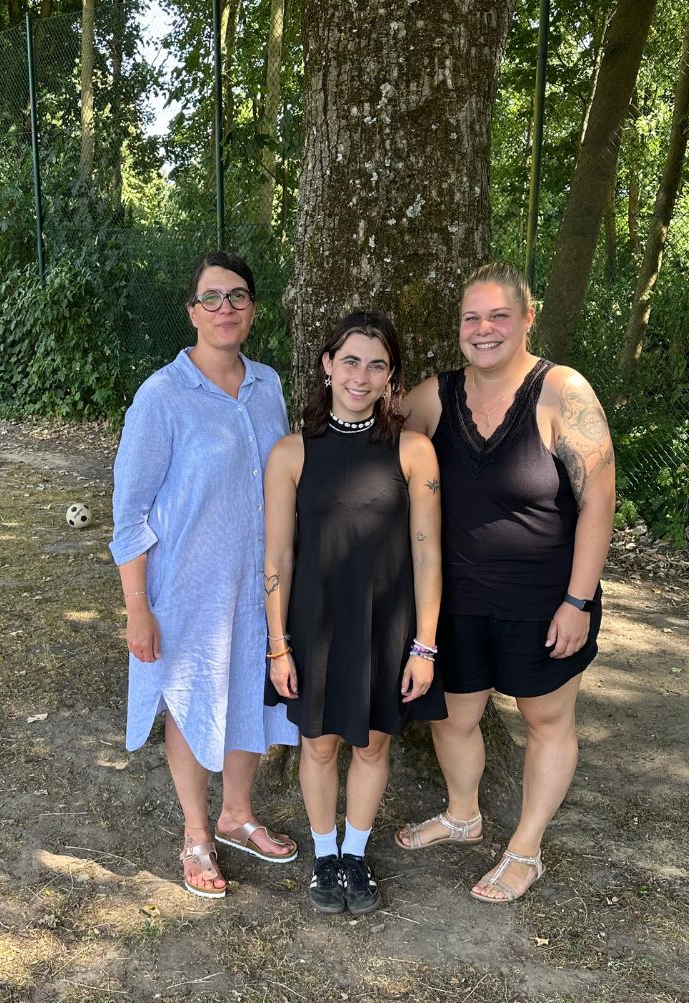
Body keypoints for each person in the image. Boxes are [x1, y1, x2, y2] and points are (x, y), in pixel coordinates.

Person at [396, 262, 616, 903]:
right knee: (451, 716)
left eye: (498, 316)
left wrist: (578, 600)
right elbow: (369, 443)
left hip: (544, 599)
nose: (484, 329)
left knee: (545, 718)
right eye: (472, 317)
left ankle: (525, 849)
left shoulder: (563, 393)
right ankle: (462, 815)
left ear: (527, 318)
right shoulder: (432, 398)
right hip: (454, 599)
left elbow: (598, 502)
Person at [110, 251, 299, 900]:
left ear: (253, 309)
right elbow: (130, 514)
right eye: (211, 298)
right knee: (191, 706)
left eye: (237, 296)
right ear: (192, 312)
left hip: (259, 588)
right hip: (185, 591)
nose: (225, 309)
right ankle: (195, 833)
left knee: (250, 696)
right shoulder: (162, 397)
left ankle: (236, 815)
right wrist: (138, 607)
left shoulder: (268, 385)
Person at [263, 310, 446, 915]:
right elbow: (278, 557)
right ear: (327, 365)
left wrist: (424, 645)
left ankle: (356, 853)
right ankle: (324, 855)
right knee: (318, 746)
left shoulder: (414, 451)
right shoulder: (291, 453)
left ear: (392, 376)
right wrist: (278, 645)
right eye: (349, 362)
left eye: (376, 365)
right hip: (314, 626)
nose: (360, 377)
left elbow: (427, 553)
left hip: (386, 626)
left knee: (370, 747)